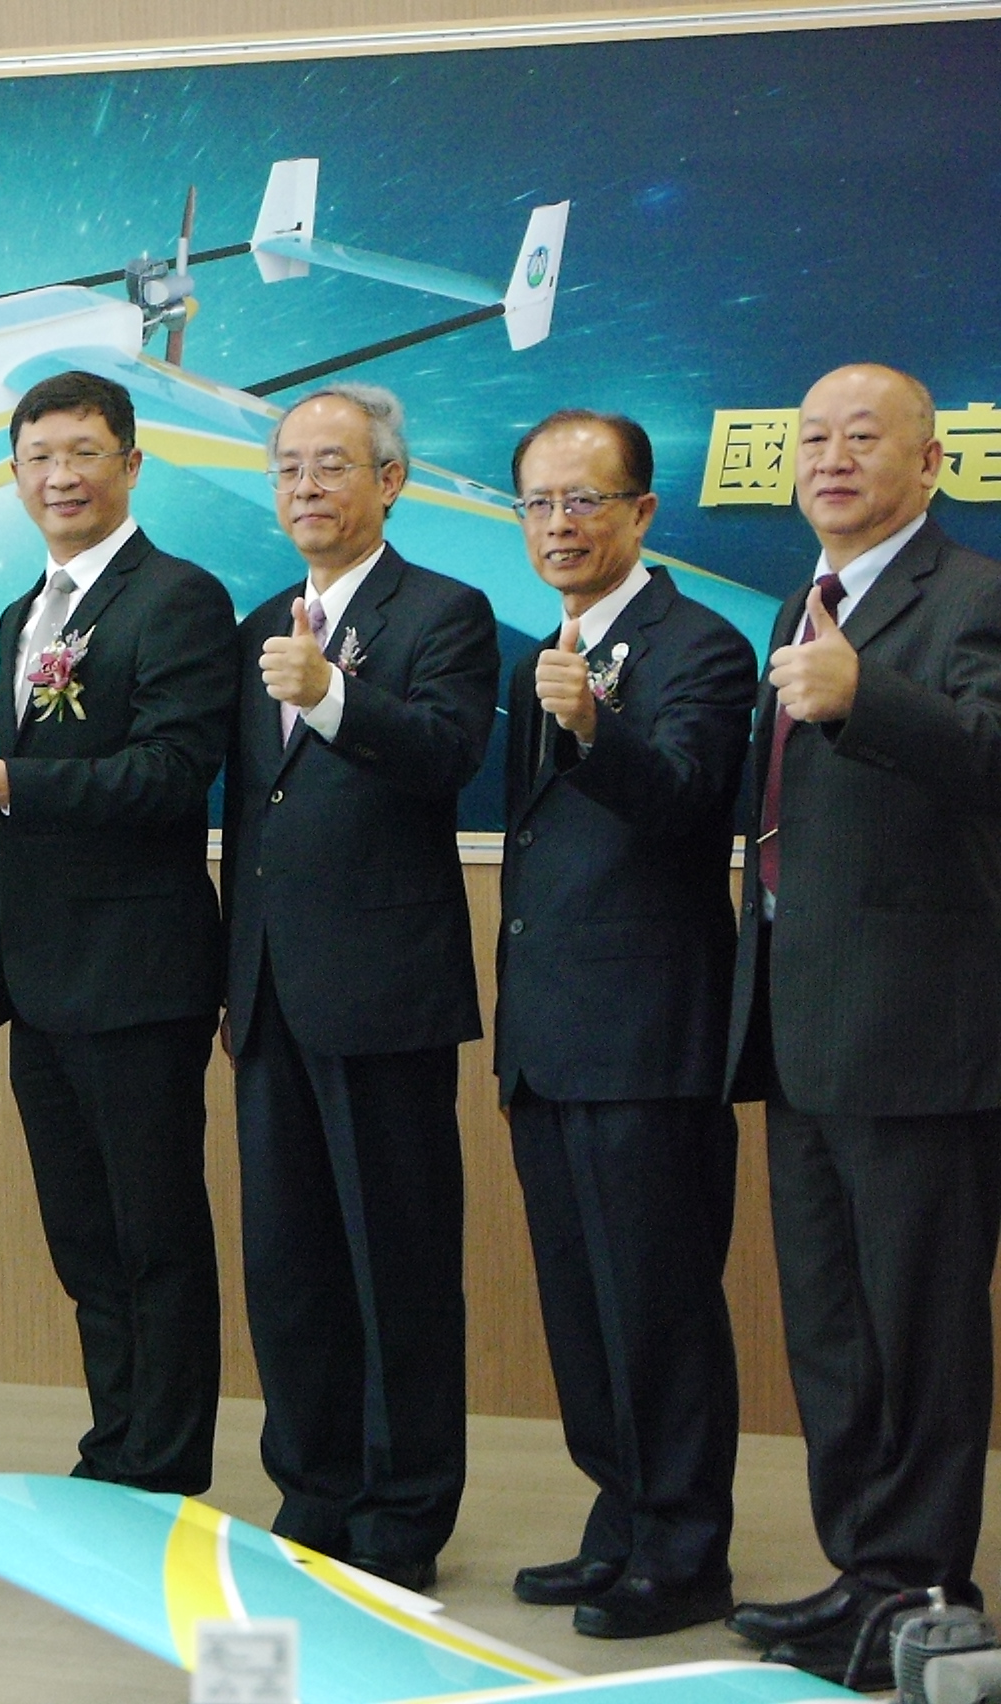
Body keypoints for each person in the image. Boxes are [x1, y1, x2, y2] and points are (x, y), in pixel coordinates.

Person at [0, 370, 235, 1495]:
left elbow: (174, 772)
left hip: (138, 970)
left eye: (84, 452)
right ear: (13, 474)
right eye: (38, 457)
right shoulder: (21, 613)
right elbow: (34, 783)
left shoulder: (177, 597)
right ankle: (115, 1443)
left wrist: (13, 784)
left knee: (154, 1232)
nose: (60, 476)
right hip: (38, 971)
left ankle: (166, 1467)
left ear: (131, 464)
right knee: (84, 1234)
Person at [723, 364, 1001, 1689]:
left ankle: (925, 1587)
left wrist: (863, 696)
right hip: (802, 1023)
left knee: (918, 1329)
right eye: (812, 437)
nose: (829, 458)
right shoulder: (805, 600)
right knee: (832, 1330)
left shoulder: (973, 595)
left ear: (931, 461)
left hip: (919, 1036)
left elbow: (991, 755)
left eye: (861, 437)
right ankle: (860, 1572)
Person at [221, 383, 498, 1591]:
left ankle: (402, 1515)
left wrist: (327, 694)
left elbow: (447, 754)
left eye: (330, 465)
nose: (305, 488)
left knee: (398, 1262)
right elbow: (255, 815)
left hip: (384, 991)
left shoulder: (445, 610)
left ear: (390, 479)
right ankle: (312, 1491)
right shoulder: (256, 625)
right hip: (269, 991)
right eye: (287, 468)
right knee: (288, 1263)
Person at [494, 410, 755, 1637]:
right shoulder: (545, 655)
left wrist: (593, 729)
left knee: (658, 1303)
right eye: (538, 503)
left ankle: (686, 1551)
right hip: (549, 1034)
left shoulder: (701, 646)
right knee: (582, 1304)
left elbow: (687, 800)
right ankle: (622, 1520)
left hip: (648, 1033)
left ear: (641, 512)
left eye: (583, 500)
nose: (559, 524)